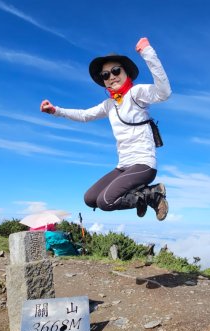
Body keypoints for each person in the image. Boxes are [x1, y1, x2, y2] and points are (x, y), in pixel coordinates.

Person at [40, 37, 171, 221]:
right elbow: (85, 115)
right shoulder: (109, 104)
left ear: (126, 73)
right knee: (90, 198)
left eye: (116, 71)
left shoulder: (136, 93)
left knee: (106, 202)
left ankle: (152, 194)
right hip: (123, 166)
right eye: (105, 75)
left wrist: (148, 53)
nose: (111, 77)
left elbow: (164, 92)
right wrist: (56, 111)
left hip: (143, 164)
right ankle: (140, 197)